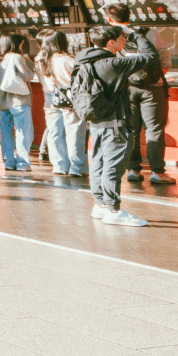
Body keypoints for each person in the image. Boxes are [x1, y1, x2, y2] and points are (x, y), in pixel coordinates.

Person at [74, 25, 157, 226]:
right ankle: (113, 209)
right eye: (122, 38)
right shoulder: (113, 64)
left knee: (99, 161)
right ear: (110, 42)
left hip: (96, 120)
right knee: (113, 164)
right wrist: (136, 34)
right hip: (115, 122)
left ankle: (100, 204)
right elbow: (150, 55)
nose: (124, 41)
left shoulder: (83, 60)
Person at [104, 4, 175, 185]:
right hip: (153, 88)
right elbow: (164, 56)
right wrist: (155, 77)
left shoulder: (110, 36)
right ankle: (158, 173)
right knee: (154, 130)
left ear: (110, 19)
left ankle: (133, 170)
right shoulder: (148, 32)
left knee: (131, 130)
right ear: (130, 15)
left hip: (125, 88)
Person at [39, 31, 87, 178]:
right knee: (74, 132)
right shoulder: (66, 60)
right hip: (69, 100)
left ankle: (60, 165)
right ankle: (77, 167)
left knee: (55, 132)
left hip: (50, 98)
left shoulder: (41, 59)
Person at [0, 35, 36, 173]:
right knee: (23, 133)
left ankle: (9, 162)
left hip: (3, 103)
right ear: (17, 44)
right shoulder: (16, 57)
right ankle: (23, 163)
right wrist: (28, 62)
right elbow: (29, 75)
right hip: (19, 101)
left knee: (6, 133)